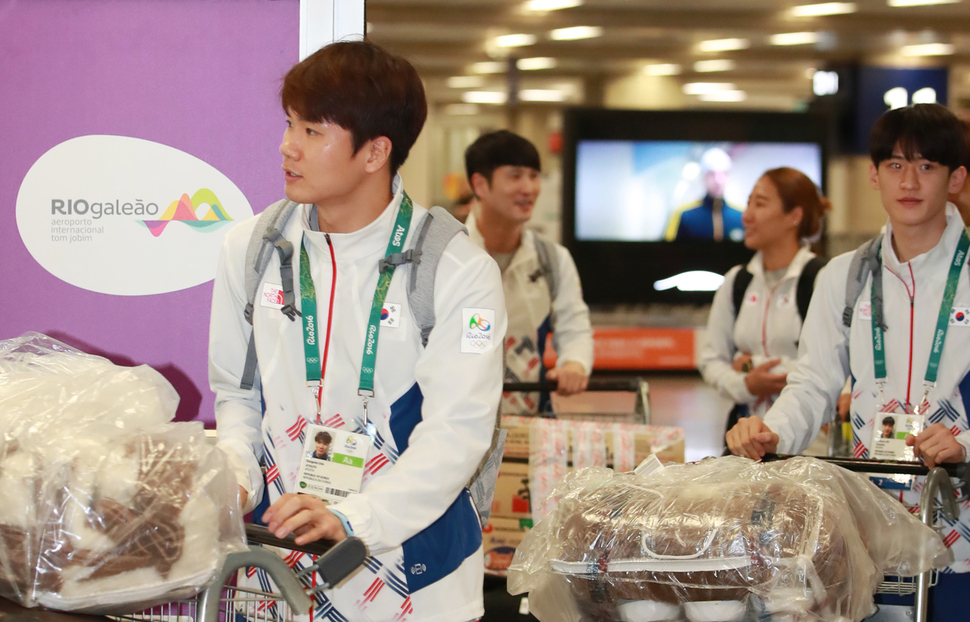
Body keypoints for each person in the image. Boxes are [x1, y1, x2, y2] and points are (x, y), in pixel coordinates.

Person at [209, 41, 507, 621]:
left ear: (375, 153)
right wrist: (238, 481)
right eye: (290, 123)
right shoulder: (251, 249)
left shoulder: (457, 270)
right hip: (276, 566)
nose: (287, 146)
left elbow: (458, 433)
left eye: (314, 131)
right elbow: (237, 395)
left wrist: (355, 520)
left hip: (414, 578)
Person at [726, 103, 970, 612]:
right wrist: (774, 432)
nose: (910, 181)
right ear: (874, 176)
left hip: (958, 517)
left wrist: (965, 442)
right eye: (896, 165)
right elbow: (813, 381)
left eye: (927, 166)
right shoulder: (844, 276)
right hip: (867, 524)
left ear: (955, 178)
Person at [463, 130, 593, 414]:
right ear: (480, 184)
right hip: (458, 424)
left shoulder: (552, 259)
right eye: (515, 176)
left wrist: (574, 363)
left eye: (534, 176)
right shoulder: (449, 255)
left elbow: (574, 326)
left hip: (530, 424)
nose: (529, 187)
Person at [698, 167, 830, 446]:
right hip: (745, 441)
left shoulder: (822, 279)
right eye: (748, 203)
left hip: (809, 446)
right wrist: (745, 384)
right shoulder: (737, 281)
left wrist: (752, 364)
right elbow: (711, 360)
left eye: (760, 204)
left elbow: (830, 368)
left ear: (794, 216)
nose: (746, 215)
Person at [665, 147, 745, 242]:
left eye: (722, 174)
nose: (717, 180)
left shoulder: (742, 216)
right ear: (704, 177)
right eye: (712, 174)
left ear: (728, 176)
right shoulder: (684, 215)